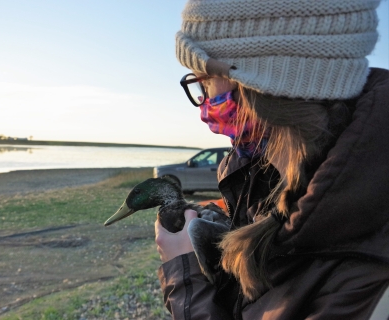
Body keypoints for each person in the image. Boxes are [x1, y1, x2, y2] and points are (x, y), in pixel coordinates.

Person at [155, 0, 389, 319]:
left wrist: (185, 277)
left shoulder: (366, 277)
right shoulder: (271, 177)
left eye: (203, 81)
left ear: (261, 84)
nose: (204, 105)